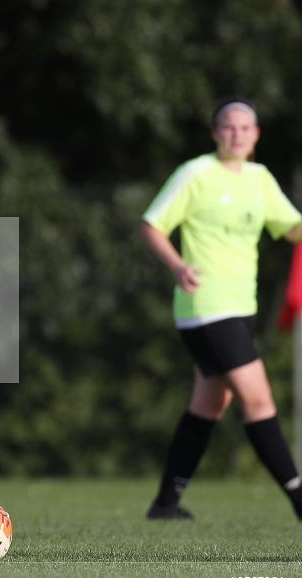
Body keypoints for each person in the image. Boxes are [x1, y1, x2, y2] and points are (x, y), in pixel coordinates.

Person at [141, 96, 302, 520]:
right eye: (228, 127)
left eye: (245, 128)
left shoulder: (260, 178)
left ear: (256, 136)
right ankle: (299, 497)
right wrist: (177, 266)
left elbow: (293, 230)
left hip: (240, 308)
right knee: (259, 401)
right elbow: (152, 224)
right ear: (215, 133)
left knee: (210, 405)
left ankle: (166, 502)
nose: (237, 134)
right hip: (206, 307)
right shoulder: (195, 174)